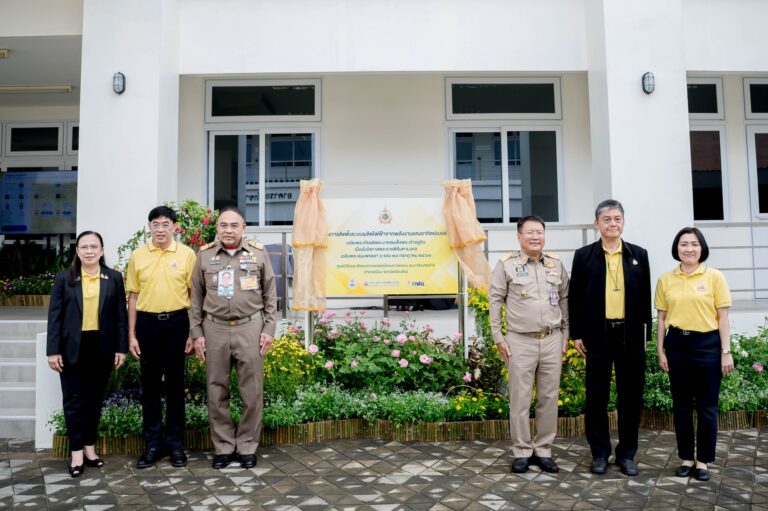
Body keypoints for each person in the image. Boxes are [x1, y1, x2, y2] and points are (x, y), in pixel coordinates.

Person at [190, 206, 277, 469]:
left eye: (234, 225)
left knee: (251, 392)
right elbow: (195, 297)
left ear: (244, 228)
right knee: (217, 390)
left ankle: (248, 445)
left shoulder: (258, 254)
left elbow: (270, 294)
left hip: (250, 327)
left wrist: (268, 329)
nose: (228, 230)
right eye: (223, 225)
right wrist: (197, 334)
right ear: (217, 227)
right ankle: (224, 447)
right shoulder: (204, 256)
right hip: (214, 328)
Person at [569, 199, 651, 476]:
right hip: (597, 336)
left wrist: (646, 335)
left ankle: (627, 454)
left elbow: (644, 299)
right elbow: (575, 298)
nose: (612, 223)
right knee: (597, 397)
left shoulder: (639, 254)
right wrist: (576, 334)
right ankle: (600, 453)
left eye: (617, 219)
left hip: (630, 337)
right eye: (607, 219)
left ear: (623, 222)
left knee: (630, 397)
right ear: (597, 224)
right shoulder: (583, 256)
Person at [489, 215, 569, 474]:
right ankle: (522, 450)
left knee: (548, 397)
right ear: (519, 236)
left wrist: (566, 334)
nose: (536, 237)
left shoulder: (556, 265)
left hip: (552, 339)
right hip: (519, 341)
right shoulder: (507, 265)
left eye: (540, 232)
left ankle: (544, 449)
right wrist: (498, 337)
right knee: (521, 399)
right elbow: (495, 301)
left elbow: (565, 299)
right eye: (530, 232)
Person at [47, 231, 127, 477]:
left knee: (94, 401)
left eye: (94, 247)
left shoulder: (113, 278)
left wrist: (121, 347)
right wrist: (53, 351)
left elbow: (120, 318)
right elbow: (55, 317)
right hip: (72, 347)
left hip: (101, 346)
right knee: (73, 402)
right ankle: (76, 453)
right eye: (84, 247)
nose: (89, 251)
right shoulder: (64, 278)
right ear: (77, 251)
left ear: (102, 251)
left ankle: (90, 449)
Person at [655, 227, 733, 481]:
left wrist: (725, 352)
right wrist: (660, 350)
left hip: (707, 345)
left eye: (694, 244)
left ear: (702, 248)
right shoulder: (666, 279)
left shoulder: (714, 277)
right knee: (682, 406)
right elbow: (662, 318)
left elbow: (723, 319)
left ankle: (703, 461)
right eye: (684, 244)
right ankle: (687, 458)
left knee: (707, 407)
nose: (689, 248)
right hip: (677, 345)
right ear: (676, 248)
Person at [126, 206, 197, 469]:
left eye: (165, 224)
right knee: (151, 388)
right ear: (149, 227)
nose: (160, 229)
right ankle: (153, 443)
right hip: (147, 325)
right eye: (155, 224)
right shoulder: (138, 256)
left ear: (175, 227)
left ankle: (176, 444)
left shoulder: (187, 254)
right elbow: (132, 296)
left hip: (178, 323)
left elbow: (194, 297)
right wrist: (131, 335)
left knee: (177, 387)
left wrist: (193, 332)